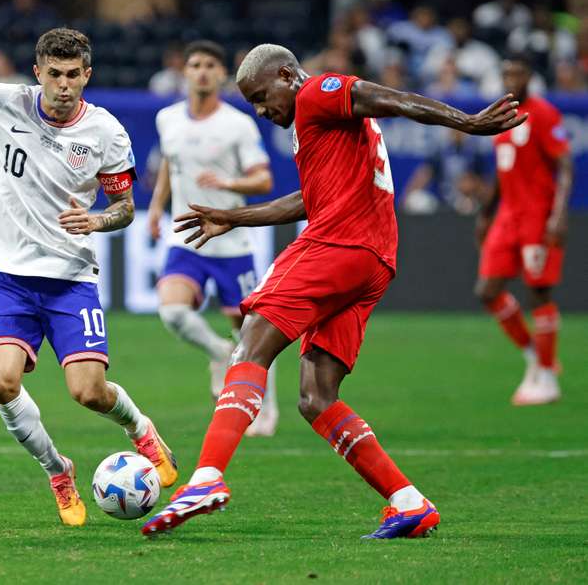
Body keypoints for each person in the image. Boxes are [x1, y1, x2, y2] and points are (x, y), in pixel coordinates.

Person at [141, 43, 524, 539]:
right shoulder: (315, 128)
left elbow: (395, 98)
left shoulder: (319, 92)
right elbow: (310, 200)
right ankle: (408, 502)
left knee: (252, 341)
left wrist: (465, 121)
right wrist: (232, 216)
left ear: (287, 74)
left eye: (262, 97)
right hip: (373, 260)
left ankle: (207, 477)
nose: (262, 110)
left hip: (339, 245)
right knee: (317, 397)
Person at [0, 27, 178, 526]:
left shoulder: (106, 132)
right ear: (38, 73)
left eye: (73, 75)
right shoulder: (6, 102)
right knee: (1, 382)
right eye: (53, 75)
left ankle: (140, 427)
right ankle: (57, 470)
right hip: (10, 278)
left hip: (70, 279)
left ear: (87, 76)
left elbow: (123, 206)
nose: (63, 85)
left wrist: (97, 220)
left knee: (88, 392)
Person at [148, 40, 278, 436]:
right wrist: (156, 207)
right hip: (186, 238)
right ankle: (218, 353)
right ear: (184, 72)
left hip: (230, 242)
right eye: (195, 64)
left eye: (210, 65)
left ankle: (265, 411)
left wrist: (229, 182)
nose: (202, 71)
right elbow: (172, 163)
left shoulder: (237, 124)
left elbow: (265, 178)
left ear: (221, 74)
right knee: (171, 311)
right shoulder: (168, 118)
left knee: (252, 334)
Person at [474, 53, 572, 406]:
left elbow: (565, 165)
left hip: (536, 216)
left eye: (518, 73)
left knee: (539, 292)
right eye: (506, 73)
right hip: (507, 216)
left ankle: (547, 379)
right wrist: (486, 213)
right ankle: (535, 355)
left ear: (530, 75)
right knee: (487, 289)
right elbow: (503, 170)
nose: (511, 79)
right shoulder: (504, 113)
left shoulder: (543, 113)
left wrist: (559, 214)